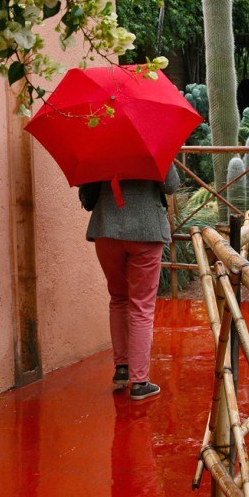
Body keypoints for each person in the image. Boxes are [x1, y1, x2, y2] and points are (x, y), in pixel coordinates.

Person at [85, 165, 180, 400]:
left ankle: (122, 368)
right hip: (145, 232)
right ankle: (140, 381)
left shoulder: (100, 145)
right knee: (141, 306)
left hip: (106, 229)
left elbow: (87, 189)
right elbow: (171, 185)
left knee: (118, 297)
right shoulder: (152, 144)